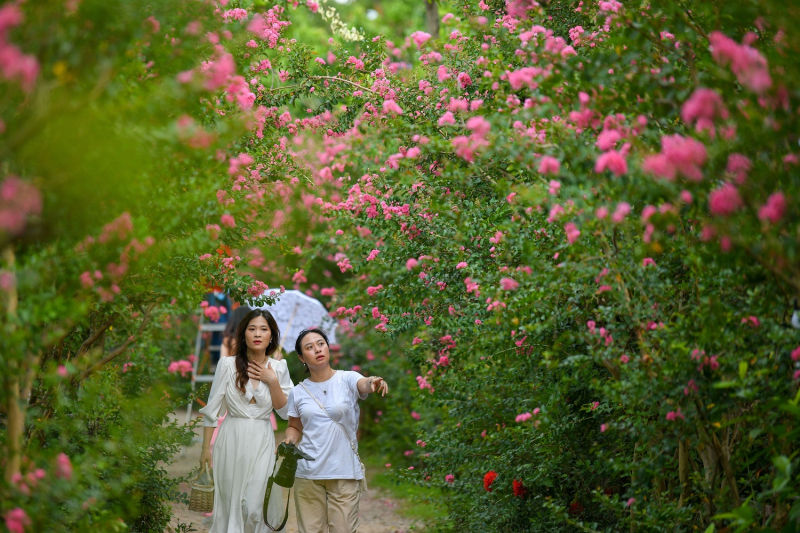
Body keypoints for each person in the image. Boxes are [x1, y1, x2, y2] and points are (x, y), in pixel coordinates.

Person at [282, 328, 389, 533]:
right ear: (302, 357)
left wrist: (373, 380)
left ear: (328, 347)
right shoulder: (297, 392)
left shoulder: (347, 379)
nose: (317, 349)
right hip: (308, 474)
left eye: (321, 343)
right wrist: (289, 439)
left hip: (343, 471)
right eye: (310, 347)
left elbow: (363, 383)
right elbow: (294, 426)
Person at [199, 309, 294, 533]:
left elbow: (285, 413)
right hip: (231, 439)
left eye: (264, 329)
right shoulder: (227, 365)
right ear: (243, 335)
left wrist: (273, 382)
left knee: (254, 508)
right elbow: (212, 410)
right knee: (232, 505)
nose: (257, 334)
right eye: (252, 329)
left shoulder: (279, 368)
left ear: (272, 335)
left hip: (262, 440)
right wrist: (205, 449)